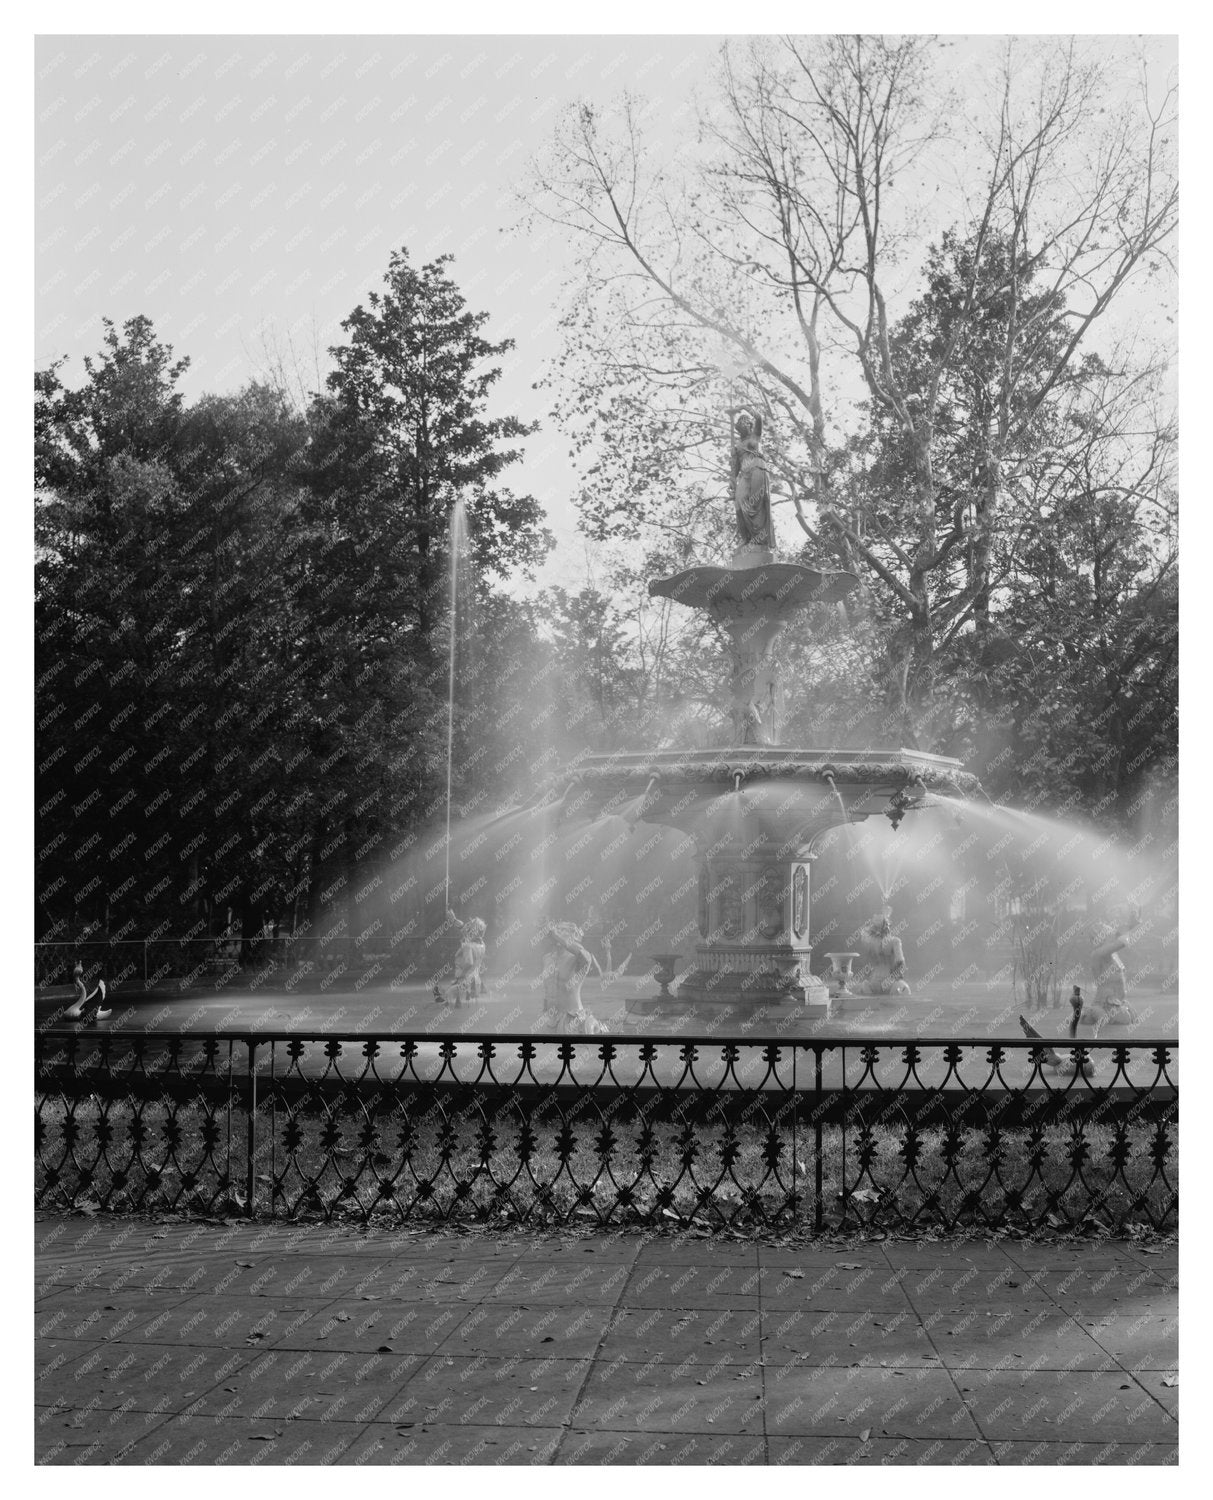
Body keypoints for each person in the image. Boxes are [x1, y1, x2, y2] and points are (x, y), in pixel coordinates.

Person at [535, 922, 608, 1035]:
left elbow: (584, 955)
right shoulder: (546, 959)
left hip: (573, 1019)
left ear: (574, 936)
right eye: (557, 930)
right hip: (550, 1019)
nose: (557, 932)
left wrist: (556, 936)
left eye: (562, 931)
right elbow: (548, 990)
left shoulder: (579, 958)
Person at [732, 411, 773, 548]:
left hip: (758, 469)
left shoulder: (755, 436)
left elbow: (759, 417)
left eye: (744, 423)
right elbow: (735, 467)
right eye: (739, 424)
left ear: (750, 425)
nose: (741, 426)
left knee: (756, 504)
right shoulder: (737, 446)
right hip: (744, 474)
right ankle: (746, 537)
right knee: (739, 502)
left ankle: (758, 539)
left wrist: (743, 407)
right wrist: (731, 481)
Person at [433, 909, 487, 1007]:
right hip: (475, 982)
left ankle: (449, 999)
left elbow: (469, 963)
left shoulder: (468, 946)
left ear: (474, 930)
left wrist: (460, 976)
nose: (467, 925)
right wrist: (453, 920)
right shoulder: (482, 944)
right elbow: (463, 927)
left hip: (464, 982)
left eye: (470, 924)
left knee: (444, 995)